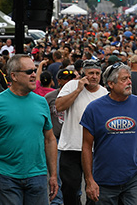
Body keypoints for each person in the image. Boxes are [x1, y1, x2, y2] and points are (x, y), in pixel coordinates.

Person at [0, 54, 58, 205]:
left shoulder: (41, 103)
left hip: (37, 175)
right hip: (7, 176)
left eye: (34, 70)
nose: (34, 74)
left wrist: (53, 175)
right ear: (13, 76)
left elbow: (50, 139)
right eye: (29, 72)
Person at [81, 63, 137, 205]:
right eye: (124, 79)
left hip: (133, 178)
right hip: (103, 180)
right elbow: (86, 146)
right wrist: (89, 180)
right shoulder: (94, 109)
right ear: (110, 84)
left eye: (129, 78)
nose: (129, 82)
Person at [55, 59, 108, 205]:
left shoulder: (104, 93)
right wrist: (78, 90)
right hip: (71, 147)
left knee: (95, 189)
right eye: (91, 73)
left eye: (97, 73)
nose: (94, 76)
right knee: (70, 189)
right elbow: (59, 106)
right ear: (83, 74)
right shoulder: (71, 85)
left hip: (94, 150)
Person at [45, 69, 76, 205]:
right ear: (59, 81)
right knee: (55, 172)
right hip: (56, 139)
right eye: (65, 80)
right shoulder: (50, 97)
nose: (68, 82)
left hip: (72, 139)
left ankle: (75, 197)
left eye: (71, 79)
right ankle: (57, 200)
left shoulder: (78, 95)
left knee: (73, 174)